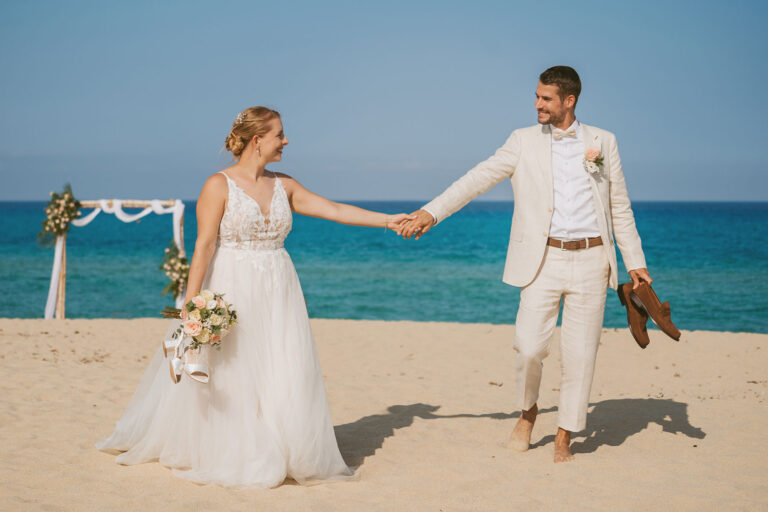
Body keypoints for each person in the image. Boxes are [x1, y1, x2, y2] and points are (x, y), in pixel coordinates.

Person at [96, 106, 412, 487]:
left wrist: (388, 220)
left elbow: (335, 210)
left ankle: (283, 444)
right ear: (257, 139)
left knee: (282, 364)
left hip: (279, 287)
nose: (286, 140)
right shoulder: (218, 184)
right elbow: (205, 245)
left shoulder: (285, 185)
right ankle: (237, 447)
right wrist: (190, 305)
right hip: (233, 284)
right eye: (280, 134)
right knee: (235, 367)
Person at [398, 66, 650, 463]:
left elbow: (619, 205)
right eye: (536, 96)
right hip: (542, 259)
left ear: (569, 101)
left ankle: (565, 433)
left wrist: (635, 262)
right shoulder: (522, 141)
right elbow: (476, 179)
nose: (537, 104)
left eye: (546, 98)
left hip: (592, 260)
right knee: (530, 348)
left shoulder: (604, 141)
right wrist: (432, 212)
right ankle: (528, 412)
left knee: (581, 355)